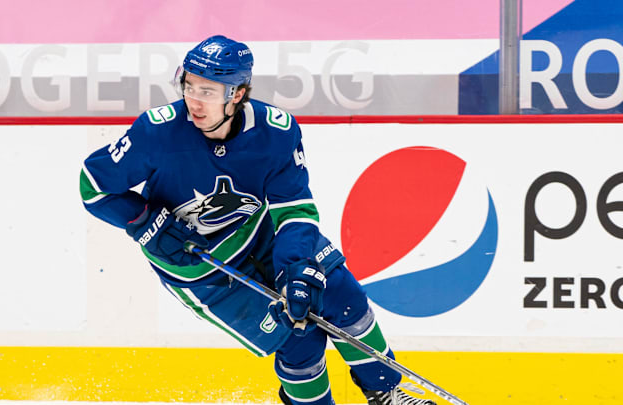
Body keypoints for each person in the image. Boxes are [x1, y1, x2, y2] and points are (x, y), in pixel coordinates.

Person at [79, 35, 435, 405]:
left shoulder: (275, 132)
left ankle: (387, 393)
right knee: (299, 338)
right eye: (188, 86)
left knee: (343, 297)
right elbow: (93, 186)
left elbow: (294, 209)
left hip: (263, 235)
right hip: (201, 267)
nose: (194, 101)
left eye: (209, 91)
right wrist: (143, 221)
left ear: (237, 93)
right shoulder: (156, 132)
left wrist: (294, 269)